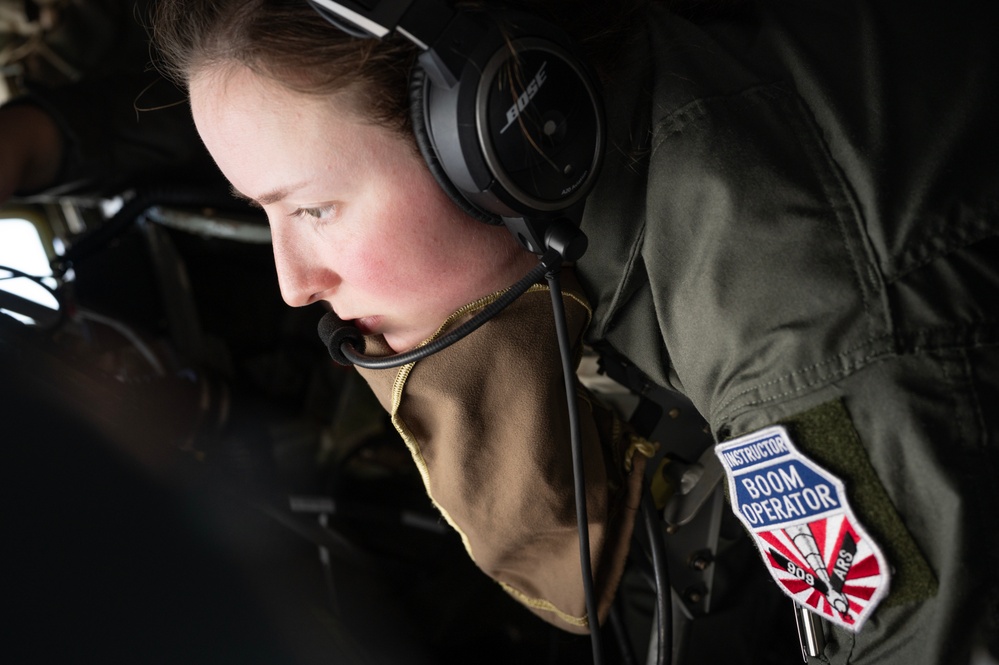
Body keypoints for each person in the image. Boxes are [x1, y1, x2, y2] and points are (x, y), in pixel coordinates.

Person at [4, 0, 998, 663]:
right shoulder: (568, 82)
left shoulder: (803, 337)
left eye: (310, 210)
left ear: (494, 135)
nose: (294, 282)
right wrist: (43, 139)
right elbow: (305, 117)